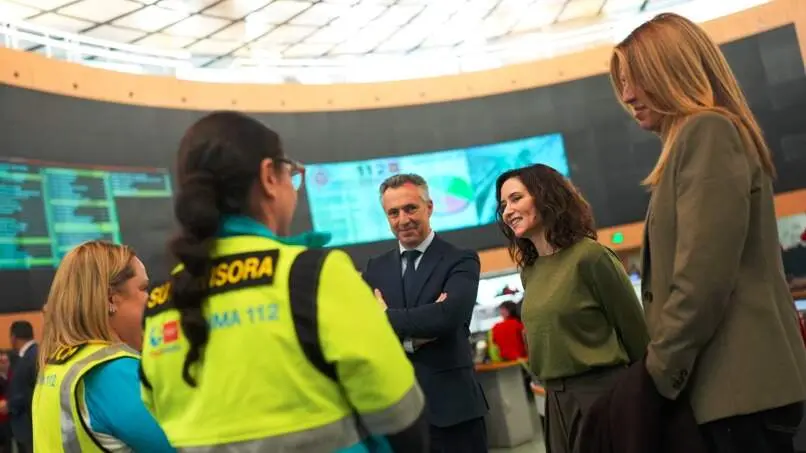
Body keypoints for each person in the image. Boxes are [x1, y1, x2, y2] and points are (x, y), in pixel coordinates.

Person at [140, 111, 428, 452]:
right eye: (290, 174)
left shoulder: (160, 302)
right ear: (268, 178)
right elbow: (402, 416)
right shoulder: (315, 275)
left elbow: (158, 417)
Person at [609, 12, 806, 453]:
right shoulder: (697, 139)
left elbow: (701, 280)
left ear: (673, 70)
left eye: (636, 78)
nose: (627, 95)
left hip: (740, 393)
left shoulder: (708, 131)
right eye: (622, 82)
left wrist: (655, 376)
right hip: (735, 394)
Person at [496, 163, 649, 453]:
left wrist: (643, 402)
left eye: (516, 198)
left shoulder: (591, 257)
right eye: (503, 204)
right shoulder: (530, 270)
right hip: (555, 399)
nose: (507, 210)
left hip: (601, 395)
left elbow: (636, 335)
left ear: (545, 196)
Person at [363, 173, 488, 453]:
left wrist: (386, 317)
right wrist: (419, 330)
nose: (403, 219)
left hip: (454, 413)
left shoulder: (461, 259)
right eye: (393, 213)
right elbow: (364, 329)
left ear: (429, 207)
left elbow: (447, 317)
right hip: (398, 416)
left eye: (410, 208)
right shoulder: (375, 268)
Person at [31, 241, 174, 452]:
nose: (151, 300)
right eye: (143, 288)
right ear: (110, 299)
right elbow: (191, 445)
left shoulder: (57, 369)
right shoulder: (115, 372)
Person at [8, 321, 36, 453]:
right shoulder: (31, 355)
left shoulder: (31, 357)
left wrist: (9, 405)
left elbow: (32, 390)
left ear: (13, 337)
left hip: (29, 426)